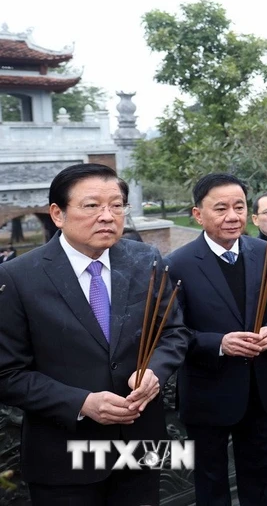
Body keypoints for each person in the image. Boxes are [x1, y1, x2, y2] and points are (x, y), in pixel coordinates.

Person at [0, 163, 189, 505]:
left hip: (141, 442)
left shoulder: (146, 258)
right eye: (92, 206)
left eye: (116, 205)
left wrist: (155, 375)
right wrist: (83, 403)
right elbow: (7, 374)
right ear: (57, 214)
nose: (107, 216)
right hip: (65, 451)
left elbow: (174, 333)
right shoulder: (17, 278)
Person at [167, 173, 267, 506]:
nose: (232, 216)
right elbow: (172, 333)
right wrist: (220, 344)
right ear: (198, 215)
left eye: (239, 207)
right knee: (210, 480)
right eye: (221, 208)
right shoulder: (177, 264)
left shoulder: (264, 253)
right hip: (207, 391)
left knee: (259, 475)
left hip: (259, 387)